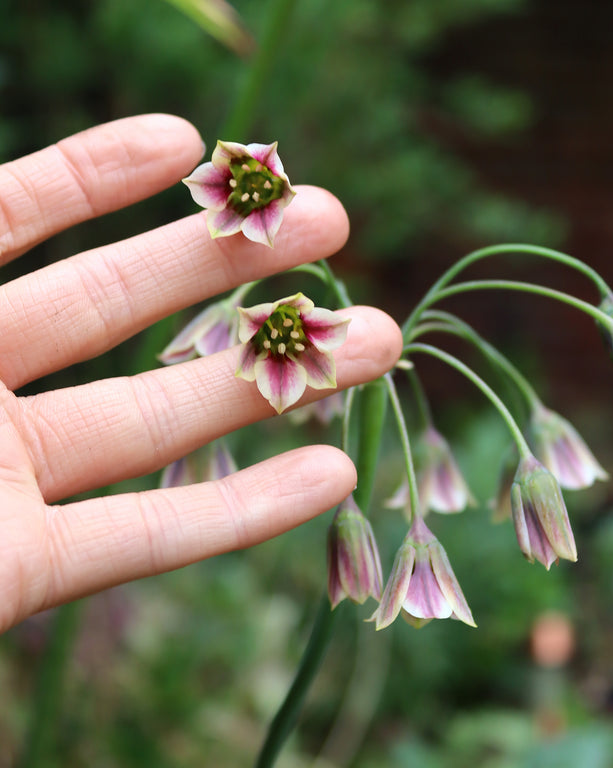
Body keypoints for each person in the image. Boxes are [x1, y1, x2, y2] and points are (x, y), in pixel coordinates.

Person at [0, 114, 402, 634]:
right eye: (249, 184)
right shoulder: (262, 306)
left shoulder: (291, 332)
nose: (255, 188)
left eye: (263, 186)